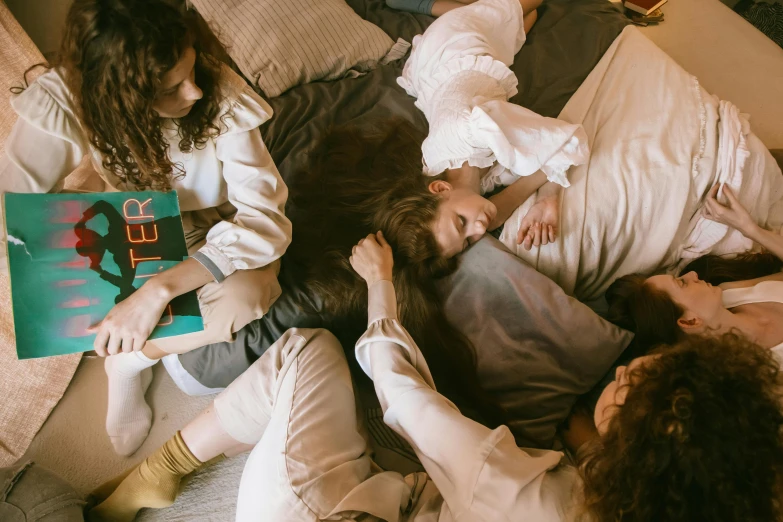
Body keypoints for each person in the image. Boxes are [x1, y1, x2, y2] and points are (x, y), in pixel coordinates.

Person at [86, 232, 783, 522]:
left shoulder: (524, 498)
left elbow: (402, 395)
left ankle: (164, 467)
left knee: (307, 350)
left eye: (638, 383)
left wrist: (380, 283)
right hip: (424, 498)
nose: (630, 368)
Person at [0, 0, 292, 456]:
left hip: (207, 223)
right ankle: (124, 334)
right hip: (122, 215)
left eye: (192, 69)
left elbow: (267, 222)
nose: (194, 92)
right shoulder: (69, 97)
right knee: (40, 271)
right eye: (171, 87)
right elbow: (11, 205)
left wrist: (154, 292)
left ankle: (129, 365)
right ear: (117, 96)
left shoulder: (221, 96)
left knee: (249, 296)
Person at [395, 0, 590, 252]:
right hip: (445, 73)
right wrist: (546, 198)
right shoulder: (467, 184)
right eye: (467, 241)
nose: (479, 229)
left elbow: (566, 139)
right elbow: (546, 157)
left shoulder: (471, 131)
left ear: (441, 189)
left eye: (461, 223)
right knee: (526, 20)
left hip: (453, 43)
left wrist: (507, 200)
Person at [606, 184, 783, 357]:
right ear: (690, 321)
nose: (692, 275)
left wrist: (748, 228)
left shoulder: (732, 292)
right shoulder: (760, 369)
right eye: (682, 283)